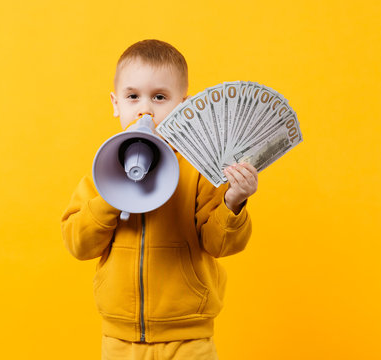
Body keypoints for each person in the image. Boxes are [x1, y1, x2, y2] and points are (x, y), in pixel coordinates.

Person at [61, 39, 258, 360]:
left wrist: (233, 201)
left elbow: (221, 245)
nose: (145, 109)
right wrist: (112, 194)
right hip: (120, 339)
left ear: (185, 105)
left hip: (189, 338)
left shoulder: (200, 172)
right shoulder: (103, 171)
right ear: (115, 104)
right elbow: (78, 245)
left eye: (160, 97)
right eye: (132, 96)